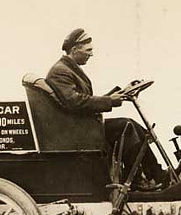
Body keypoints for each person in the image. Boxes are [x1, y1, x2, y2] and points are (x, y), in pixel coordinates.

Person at [45, 28, 168, 191]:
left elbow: (80, 100)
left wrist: (116, 94)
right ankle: (139, 180)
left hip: (80, 125)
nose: (91, 54)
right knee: (125, 126)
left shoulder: (67, 68)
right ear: (75, 50)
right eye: (88, 50)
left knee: (131, 124)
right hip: (77, 131)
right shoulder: (60, 71)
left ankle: (156, 174)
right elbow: (74, 102)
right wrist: (110, 100)